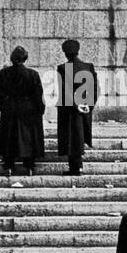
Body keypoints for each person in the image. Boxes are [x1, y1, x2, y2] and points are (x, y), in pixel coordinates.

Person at [0, 46, 45, 178]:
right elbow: (38, 95)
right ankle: (29, 166)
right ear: (25, 58)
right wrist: (40, 110)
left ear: (11, 59)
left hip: (10, 108)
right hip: (28, 109)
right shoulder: (33, 74)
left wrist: (1, 106)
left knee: (9, 136)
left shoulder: (2, 73)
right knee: (28, 137)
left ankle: (9, 166)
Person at [56, 39, 98, 175]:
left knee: (71, 137)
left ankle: (75, 167)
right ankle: (77, 166)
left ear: (65, 53)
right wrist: (88, 106)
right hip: (83, 107)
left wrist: (75, 106)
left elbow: (65, 91)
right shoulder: (88, 66)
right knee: (79, 136)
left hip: (69, 109)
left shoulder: (63, 68)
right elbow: (94, 89)